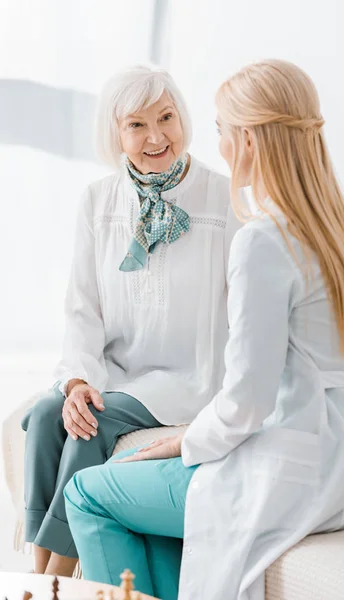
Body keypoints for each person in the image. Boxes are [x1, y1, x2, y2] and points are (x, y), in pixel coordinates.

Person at [64, 59, 344, 600]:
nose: (214, 145)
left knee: (86, 493)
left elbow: (246, 400)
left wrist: (186, 440)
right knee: (131, 473)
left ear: (247, 141)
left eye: (220, 130)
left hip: (290, 479)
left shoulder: (265, 241)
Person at [21, 65, 240, 578]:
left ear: (182, 117)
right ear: (115, 133)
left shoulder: (224, 199)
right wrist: (76, 380)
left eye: (166, 117)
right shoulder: (98, 200)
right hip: (118, 371)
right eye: (136, 125)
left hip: (188, 377)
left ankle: (54, 579)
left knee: (94, 419)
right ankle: (36, 569)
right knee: (51, 408)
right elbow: (83, 307)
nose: (156, 136)